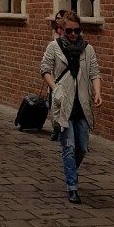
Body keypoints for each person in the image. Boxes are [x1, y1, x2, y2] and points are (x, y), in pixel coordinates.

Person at [40, 10, 102, 204]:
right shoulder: (54, 47)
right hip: (64, 103)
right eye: (69, 31)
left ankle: (71, 171)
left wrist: (97, 92)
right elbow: (45, 69)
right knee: (69, 146)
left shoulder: (88, 49)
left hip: (82, 104)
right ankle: (72, 187)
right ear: (62, 30)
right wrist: (55, 88)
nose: (74, 34)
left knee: (82, 147)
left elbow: (94, 72)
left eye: (77, 30)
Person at [48, 9, 67, 140]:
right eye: (57, 17)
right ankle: (56, 128)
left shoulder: (70, 33)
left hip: (65, 73)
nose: (57, 19)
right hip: (55, 73)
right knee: (53, 101)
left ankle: (63, 127)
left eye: (59, 17)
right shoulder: (55, 33)